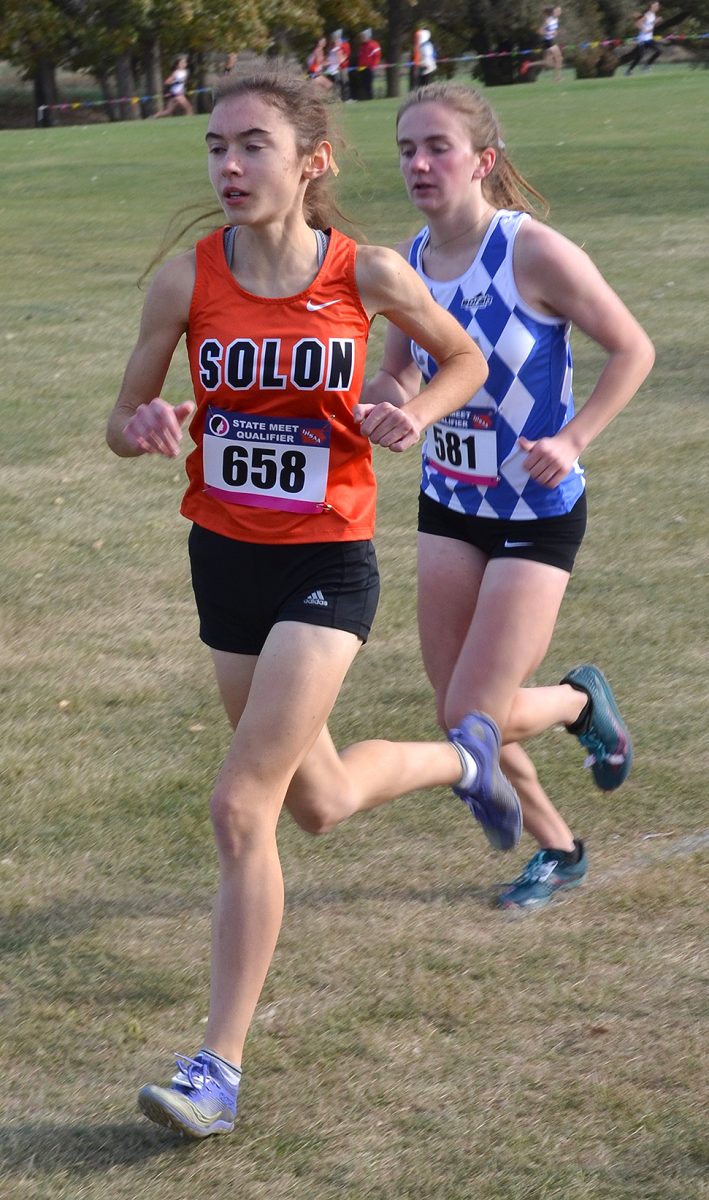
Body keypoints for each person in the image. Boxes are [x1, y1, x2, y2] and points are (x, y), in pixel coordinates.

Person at [107, 66, 520, 1139]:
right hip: (225, 561)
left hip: (325, 568)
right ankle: (464, 759)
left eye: (252, 145)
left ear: (311, 162)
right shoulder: (186, 282)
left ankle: (217, 1071)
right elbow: (123, 413)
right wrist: (146, 424)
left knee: (241, 805)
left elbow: (465, 357)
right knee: (318, 798)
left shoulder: (367, 273)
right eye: (214, 147)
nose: (229, 166)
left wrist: (417, 410)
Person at [357, 84, 655, 910]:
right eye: (406, 149)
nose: (418, 163)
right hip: (451, 502)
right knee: (462, 717)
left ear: (481, 161)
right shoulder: (408, 262)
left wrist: (572, 438)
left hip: (535, 506)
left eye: (437, 147)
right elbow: (401, 368)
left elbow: (632, 348)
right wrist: (381, 398)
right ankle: (558, 850)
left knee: (473, 713)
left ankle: (575, 701)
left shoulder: (532, 252)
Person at [625, 3, 661, 74]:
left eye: (657, 6)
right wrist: (644, 30)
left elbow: (649, 24)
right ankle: (629, 71)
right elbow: (637, 23)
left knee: (659, 51)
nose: (657, 7)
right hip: (642, 40)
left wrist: (656, 21)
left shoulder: (653, 15)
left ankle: (647, 65)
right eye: (656, 6)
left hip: (649, 39)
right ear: (651, 7)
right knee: (640, 56)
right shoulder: (647, 15)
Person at [354, 28, 381, 101]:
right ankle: (364, 98)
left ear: (368, 36)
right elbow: (360, 57)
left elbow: (377, 56)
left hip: (370, 68)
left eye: (363, 36)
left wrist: (374, 66)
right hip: (362, 68)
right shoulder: (362, 46)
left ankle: (370, 97)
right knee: (362, 84)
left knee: (369, 84)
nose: (362, 38)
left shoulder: (374, 45)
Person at [539, 6, 563, 82]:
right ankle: (557, 77)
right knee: (559, 58)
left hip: (551, 40)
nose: (559, 12)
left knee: (549, 62)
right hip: (548, 41)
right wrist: (550, 33)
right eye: (557, 11)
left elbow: (554, 31)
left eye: (560, 11)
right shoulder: (548, 20)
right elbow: (540, 31)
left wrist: (556, 33)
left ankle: (557, 77)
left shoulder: (556, 20)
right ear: (553, 12)